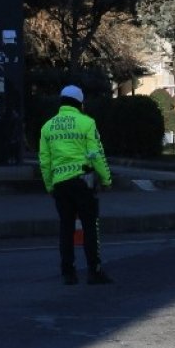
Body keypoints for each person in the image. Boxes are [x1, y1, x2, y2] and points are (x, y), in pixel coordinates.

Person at [38, 85, 114, 284]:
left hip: (60, 185)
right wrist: (106, 179)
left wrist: (49, 186)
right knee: (90, 227)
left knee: (66, 228)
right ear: (80, 103)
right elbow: (96, 154)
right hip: (83, 182)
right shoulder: (86, 123)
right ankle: (94, 271)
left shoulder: (47, 127)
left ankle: (68, 273)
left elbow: (44, 161)